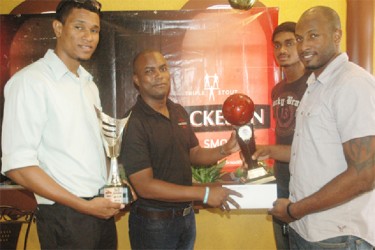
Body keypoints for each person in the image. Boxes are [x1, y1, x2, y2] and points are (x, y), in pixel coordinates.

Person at [1, 0, 123, 249]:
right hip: (66, 216)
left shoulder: (88, 84)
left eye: (94, 30)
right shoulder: (31, 81)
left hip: (98, 211)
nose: (88, 37)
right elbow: (19, 167)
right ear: (58, 28)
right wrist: (84, 206)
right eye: (79, 27)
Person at [252, 6, 375, 249]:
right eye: (300, 38)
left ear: (336, 36)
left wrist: (294, 210)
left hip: (338, 235)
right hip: (308, 228)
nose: (304, 45)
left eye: (313, 36)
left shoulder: (352, 83)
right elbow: (310, 153)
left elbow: (365, 175)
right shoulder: (316, 84)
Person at [120, 49, 242, 250]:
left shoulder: (178, 111)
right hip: (154, 226)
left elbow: (194, 154)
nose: (158, 75)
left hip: (185, 220)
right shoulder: (134, 122)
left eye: (163, 69)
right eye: (149, 71)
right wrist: (203, 194)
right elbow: (145, 186)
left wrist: (225, 149)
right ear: (136, 79)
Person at [270, 21, 308, 249]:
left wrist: (270, 150)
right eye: (277, 45)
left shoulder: (313, 85)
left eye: (289, 43)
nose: (282, 50)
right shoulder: (277, 89)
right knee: (283, 242)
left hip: (307, 181)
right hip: (282, 177)